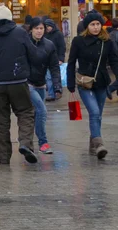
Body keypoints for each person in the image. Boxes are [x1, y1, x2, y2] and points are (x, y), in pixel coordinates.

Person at [0, 5, 38, 165]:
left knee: (1, 119)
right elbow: (33, 54)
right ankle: (25, 143)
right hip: (18, 80)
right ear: (11, 18)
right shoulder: (20, 33)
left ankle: (3, 157)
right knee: (25, 112)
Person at [67, 12, 118, 159]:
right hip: (85, 83)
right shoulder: (78, 41)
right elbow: (71, 63)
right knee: (94, 113)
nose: (95, 27)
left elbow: (114, 61)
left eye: (97, 24)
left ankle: (93, 143)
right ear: (87, 26)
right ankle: (99, 144)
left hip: (102, 82)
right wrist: (70, 83)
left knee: (98, 115)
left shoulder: (107, 41)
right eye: (92, 25)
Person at [28, 18, 62, 154]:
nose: (39, 31)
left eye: (41, 28)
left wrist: (57, 86)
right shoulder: (25, 43)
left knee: (35, 114)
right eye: (36, 28)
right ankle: (43, 142)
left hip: (41, 84)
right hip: (27, 83)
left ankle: (27, 142)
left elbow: (54, 67)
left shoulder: (49, 45)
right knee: (42, 110)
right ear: (31, 29)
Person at [44, 18, 66, 101]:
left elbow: (62, 47)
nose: (48, 28)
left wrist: (61, 58)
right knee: (49, 77)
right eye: (46, 27)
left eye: (49, 26)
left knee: (54, 76)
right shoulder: (44, 35)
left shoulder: (58, 34)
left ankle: (56, 91)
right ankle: (52, 93)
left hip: (55, 59)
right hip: (46, 59)